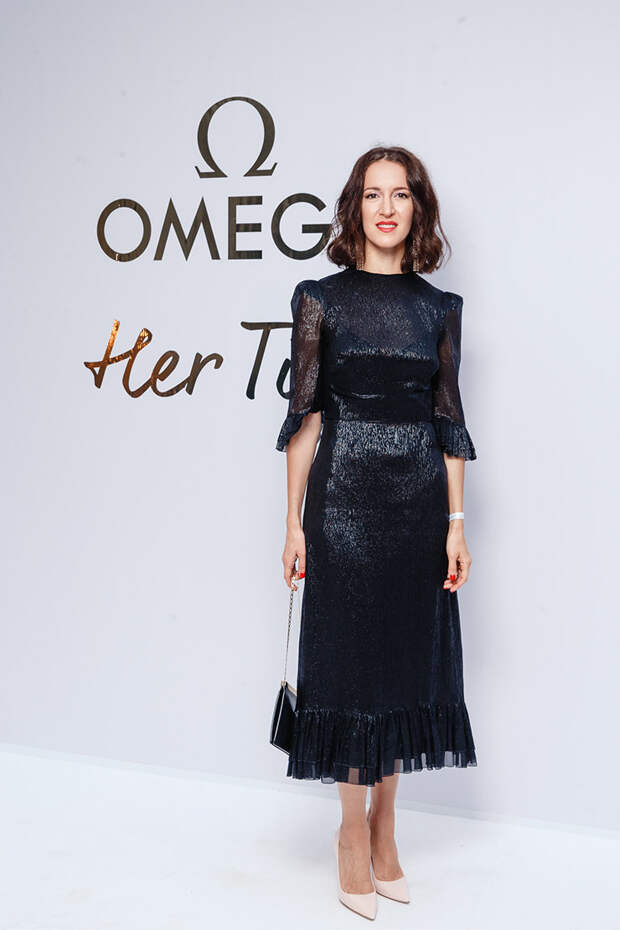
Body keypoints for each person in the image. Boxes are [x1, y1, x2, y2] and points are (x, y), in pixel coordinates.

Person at [275, 145, 477, 919]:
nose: (386, 208)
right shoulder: (319, 298)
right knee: (348, 668)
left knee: (401, 665)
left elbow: (450, 423)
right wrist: (292, 523)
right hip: (343, 506)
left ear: (417, 208)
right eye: (372, 194)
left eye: (400, 194)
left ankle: (388, 825)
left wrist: (456, 525)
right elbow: (304, 419)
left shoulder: (440, 308)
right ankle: (350, 832)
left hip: (418, 509)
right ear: (354, 207)